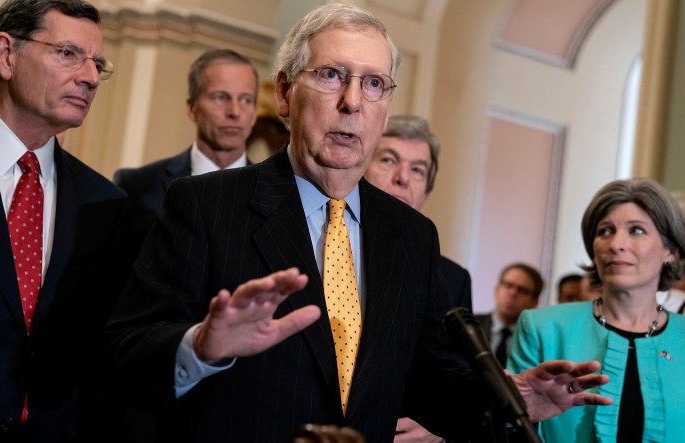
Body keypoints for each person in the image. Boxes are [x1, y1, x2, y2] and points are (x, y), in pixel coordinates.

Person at [104, 3, 611, 442]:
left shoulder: (411, 235)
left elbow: (430, 380)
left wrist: (510, 399)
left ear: (386, 107)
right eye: (330, 75)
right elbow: (122, 356)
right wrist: (202, 346)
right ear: (284, 94)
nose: (352, 102)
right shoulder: (204, 205)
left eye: (373, 84)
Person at [0, 0, 130, 441]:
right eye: (68, 53)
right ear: (6, 55)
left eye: (98, 64)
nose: (89, 77)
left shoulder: (105, 202)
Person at [509, 177, 685, 442]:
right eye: (605, 231)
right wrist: (518, 416)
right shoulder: (542, 327)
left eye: (636, 230)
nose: (616, 244)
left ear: (669, 250)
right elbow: (504, 430)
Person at [364, 114, 471, 442]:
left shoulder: (452, 279)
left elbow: (452, 378)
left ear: (427, 188)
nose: (402, 178)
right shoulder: (322, 242)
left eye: (417, 170)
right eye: (387, 160)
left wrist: (439, 431)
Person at [113, 48, 259, 259]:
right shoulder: (137, 186)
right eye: (220, 97)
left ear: (254, 114)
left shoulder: (275, 194)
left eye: (245, 100)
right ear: (192, 108)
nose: (234, 112)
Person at [476, 263, 543, 367]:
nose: (513, 293)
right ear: (497, 290)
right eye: (508, 285)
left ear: (535, 301)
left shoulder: (537, 341)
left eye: (522, 290)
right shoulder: (470, 326)